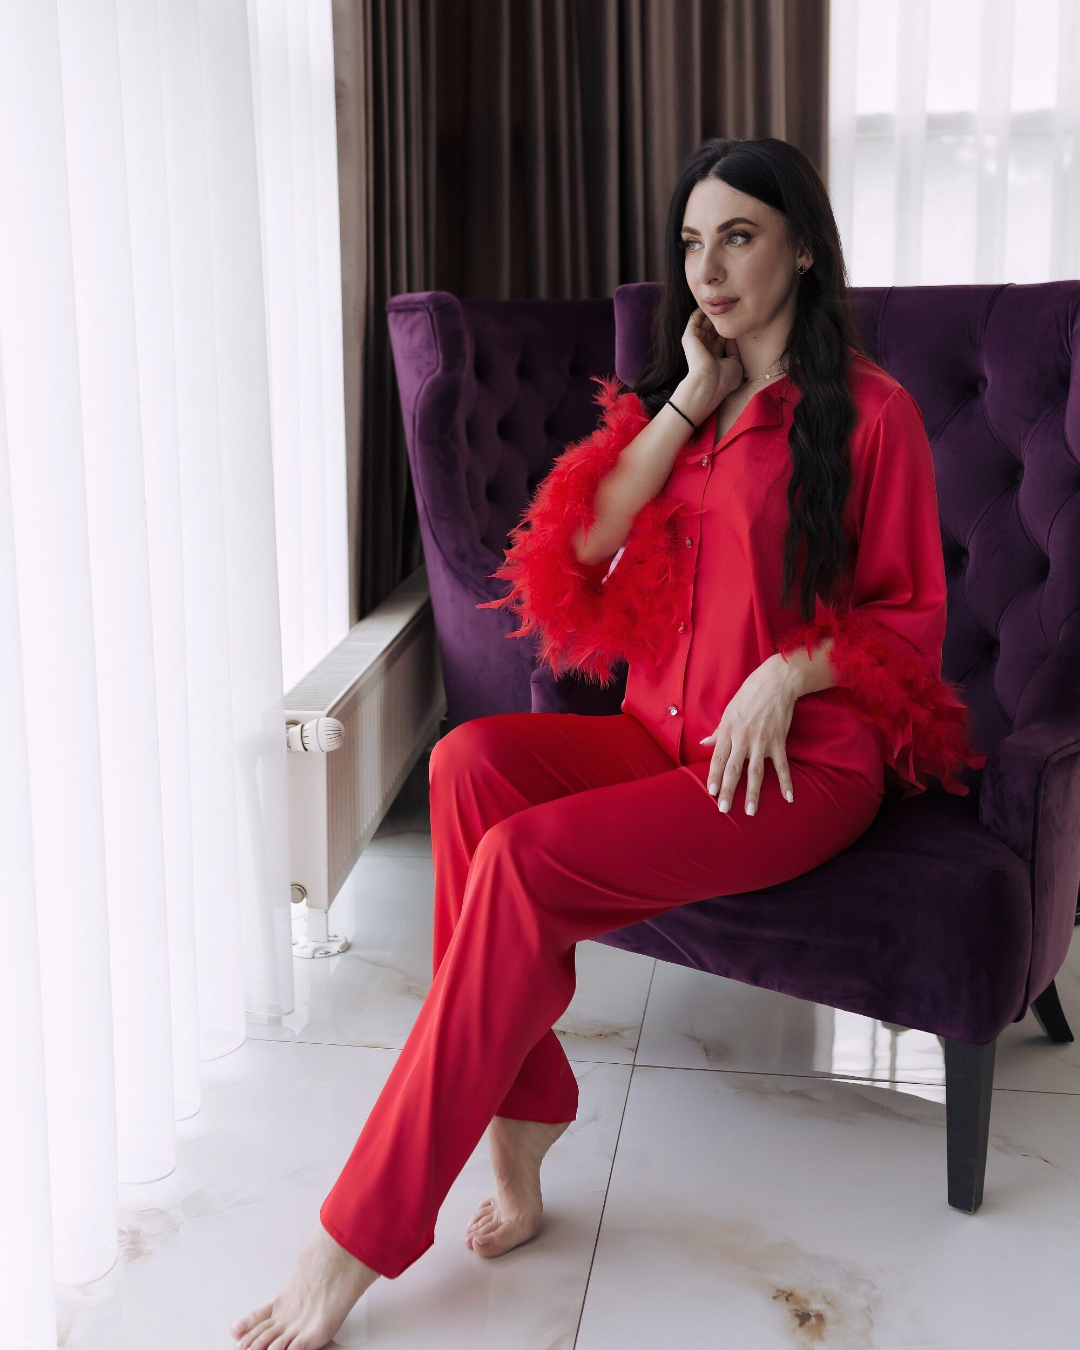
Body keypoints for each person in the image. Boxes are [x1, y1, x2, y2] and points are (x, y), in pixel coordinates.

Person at [229, 135, 984, 1350]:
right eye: (693, 242)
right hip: (659, 736)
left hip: (795, 769)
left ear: (802, 245)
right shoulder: (683, 401)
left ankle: (355, 1238)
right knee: (466, 766)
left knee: (524, 866)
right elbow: (578, 553)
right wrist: (689, 398)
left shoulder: (874, 416)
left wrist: (791, 673)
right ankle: (525, 1126)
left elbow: (912, 625)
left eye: (739, 236)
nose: (711, 267)